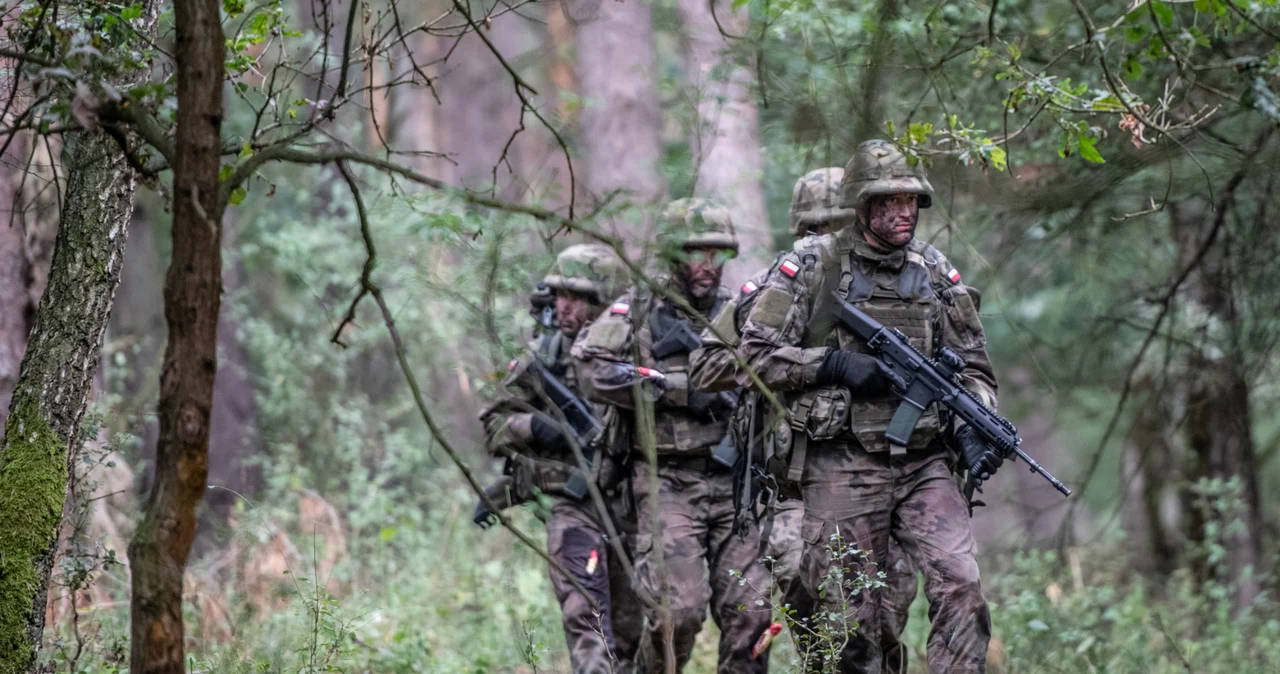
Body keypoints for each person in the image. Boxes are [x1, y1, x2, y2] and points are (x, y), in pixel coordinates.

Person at [735, 140, 1002, 674]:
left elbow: (976, 368)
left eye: (910, 200)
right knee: (852, 622)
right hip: (842, 462)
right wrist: (831, 366)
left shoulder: (933, 269)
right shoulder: (811, 266)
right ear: (860, 206)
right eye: (889, 201)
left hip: (923, 462)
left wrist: (976, 415)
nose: (904, 211)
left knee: (963, 584)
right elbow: (753, 357)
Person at [688, 167, 921, 672]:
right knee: (812, 597)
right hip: (797, 481)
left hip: (883, 473)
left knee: (882, 615)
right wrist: (809, 362)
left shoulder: (899, 286)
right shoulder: (777, 286)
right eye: (819, 230)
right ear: (802, 232)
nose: (831, 241)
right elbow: (709, 365)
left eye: (841, 227)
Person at [573, 199, 774, 673]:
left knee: (752, 616)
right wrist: (676, 391)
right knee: (675, 614)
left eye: (716, 255)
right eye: (694, 254)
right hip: (666, 482)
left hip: (737, 486)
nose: (707, 266)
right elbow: (592, 370)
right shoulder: (636, 308)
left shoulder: (742, 311)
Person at [478, 243, 644, 674]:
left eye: (579, 297)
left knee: (635, 635)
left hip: (634, 507)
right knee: (585, 621)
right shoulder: (544, 356)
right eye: (560, 295)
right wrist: (537, 429)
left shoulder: (636, 354)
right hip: (574, 509)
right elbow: (494, 425)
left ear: (604, 303)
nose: (565, 307)